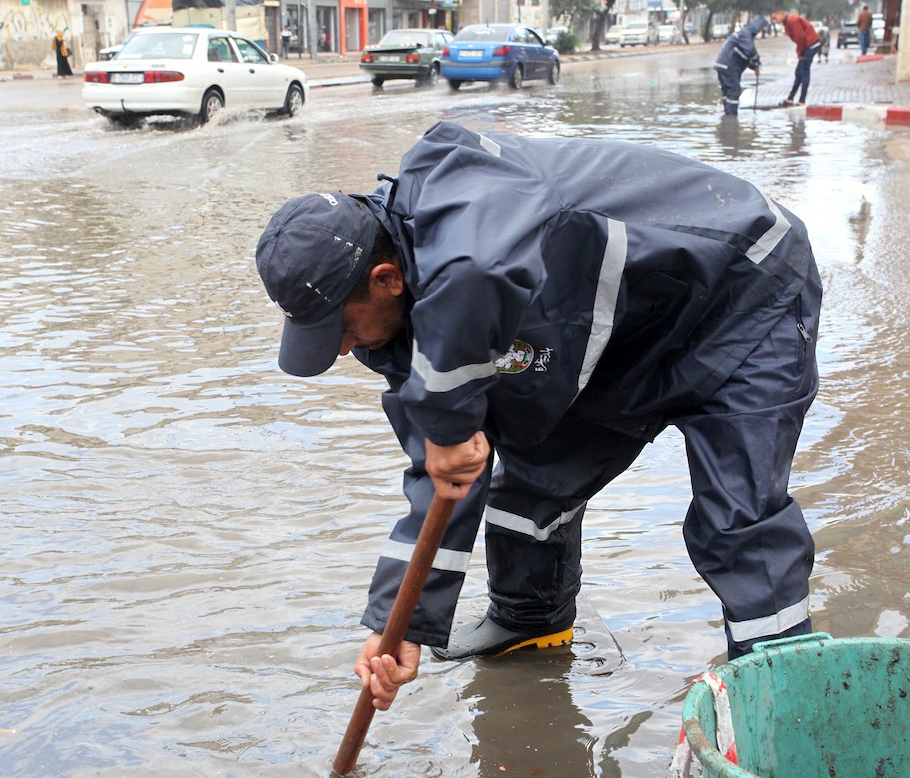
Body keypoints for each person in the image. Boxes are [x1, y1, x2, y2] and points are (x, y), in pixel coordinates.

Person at [255, 121, 822, 711]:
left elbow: (476, 273)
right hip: (614, 339)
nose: (344, 349)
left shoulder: (471, 218)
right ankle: (531, 621)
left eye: (342, 328)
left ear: (387, 279)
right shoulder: (398, 323)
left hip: (743, 296)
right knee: (530, 486)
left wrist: (450, 428)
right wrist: (400, 625)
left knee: (739, 521)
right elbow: (444, 474)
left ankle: (778, 694)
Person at [713, 15, 768, 115]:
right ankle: (731, 117)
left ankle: (727, 114)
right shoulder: (746, 34)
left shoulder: (745, 36)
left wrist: (755, 66)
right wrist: (757, 60)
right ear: (758, 26)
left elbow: (745, 56)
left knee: (727, 91)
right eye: (761, 28)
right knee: (734, 90)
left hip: (722, 65)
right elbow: (750, 50)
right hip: (728, 66)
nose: (761, 31)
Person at [771, 9, 821, 107]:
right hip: (807, 46)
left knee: (804, 72)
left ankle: (802, 100)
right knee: (799, 73)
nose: (774, 21)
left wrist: (800, 52)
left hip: (810, 46)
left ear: (781, 14)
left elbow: (800, 37)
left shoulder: (792, 20)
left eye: (775, 18)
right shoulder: (787, 23)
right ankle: (791, 98)